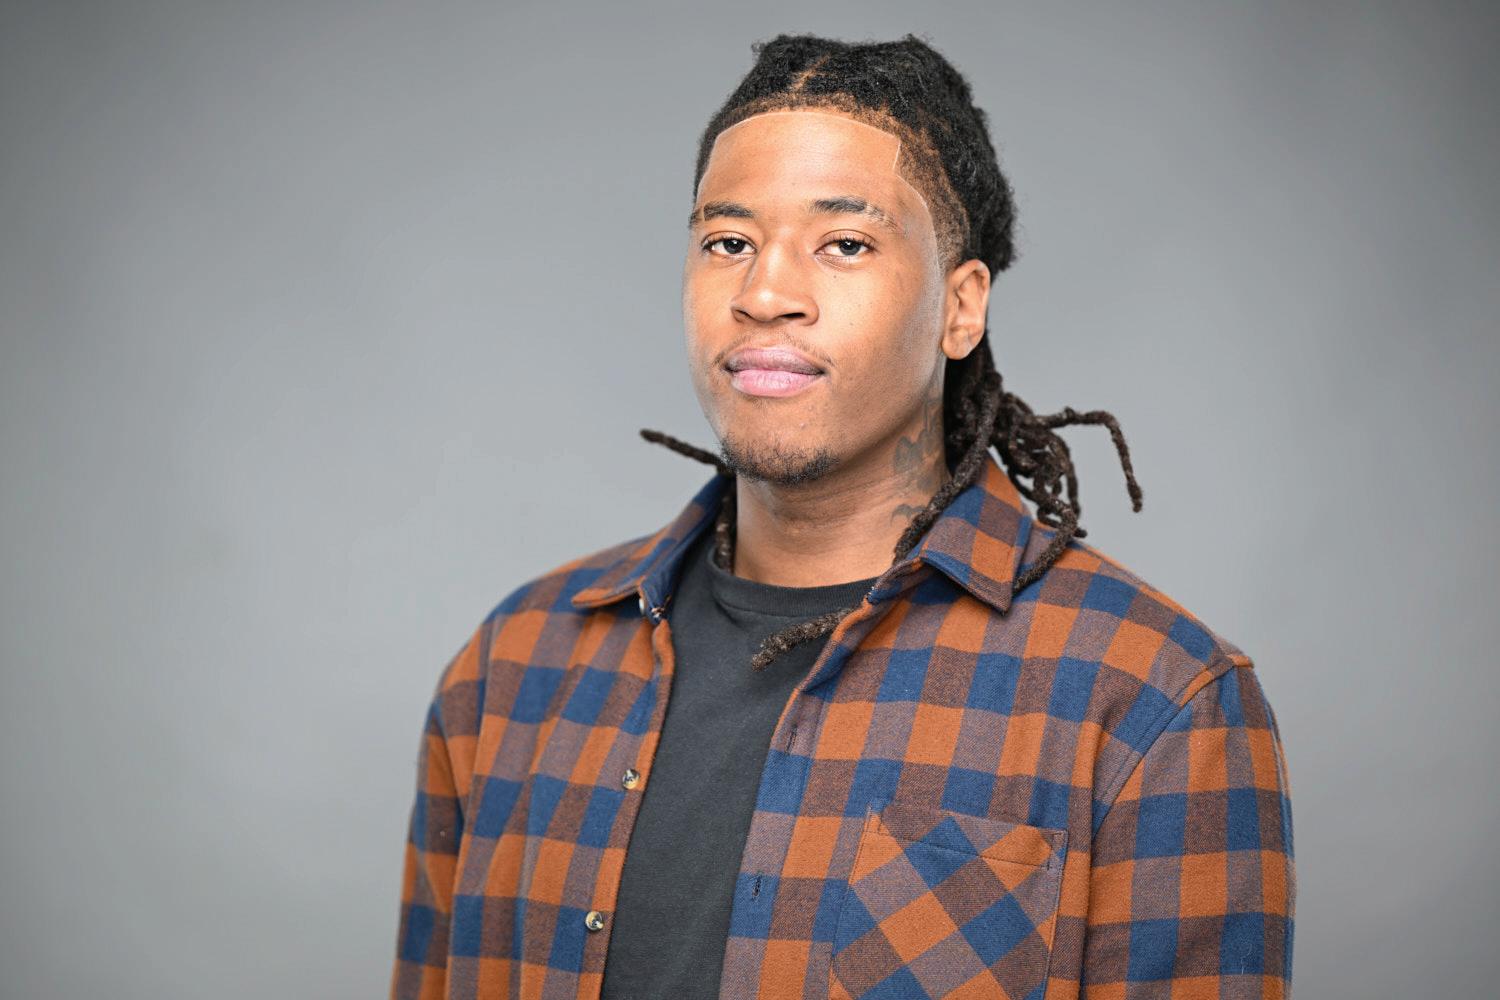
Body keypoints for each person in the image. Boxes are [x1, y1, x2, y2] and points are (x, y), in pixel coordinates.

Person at [390, 32, 1294, 1000]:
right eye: (728, 243)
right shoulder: (515, 665)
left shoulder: (1152, 698)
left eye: (845, 245)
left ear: (961, 308)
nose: (764, 294)